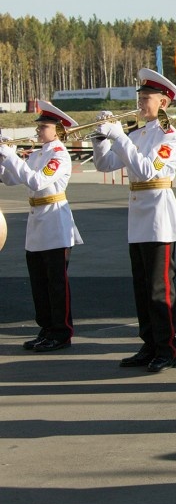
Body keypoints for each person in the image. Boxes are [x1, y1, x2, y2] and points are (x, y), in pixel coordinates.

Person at [92, 68, 176, 373]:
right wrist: (100, 138)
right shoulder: (137, 134)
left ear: (164, 103)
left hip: (159, 218)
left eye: (148, 98)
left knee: (160, 288)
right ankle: (149, 344)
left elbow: (147, 170)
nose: (142, 102)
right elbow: (105, 163)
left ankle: (167, 348)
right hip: (138, 218)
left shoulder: (168, 136)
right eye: (141, 97)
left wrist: (119, 135)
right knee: (142, 286)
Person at [0, 101, 83, 353]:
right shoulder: (38, 154)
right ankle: (46, 328)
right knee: (39, 282)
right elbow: (10, 178)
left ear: (58, 130)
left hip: (55, 223)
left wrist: (11, 155)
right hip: (37, 224)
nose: (38, 130)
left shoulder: (59, 155)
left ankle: (61, 332)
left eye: (43, 126)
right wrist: (3, 157)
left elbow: (36, 181)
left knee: (56, 283)